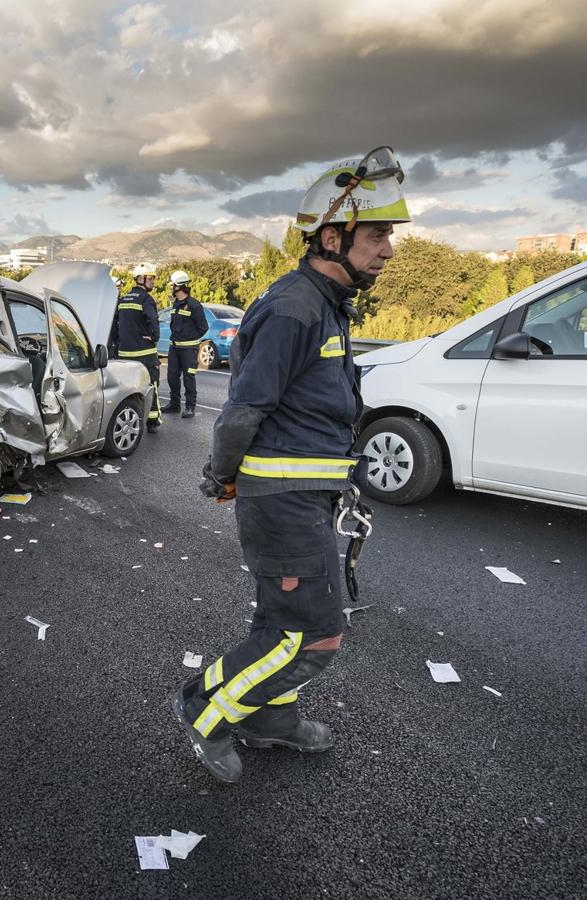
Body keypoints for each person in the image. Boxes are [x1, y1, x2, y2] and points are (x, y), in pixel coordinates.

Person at [173, 147, 410, 783]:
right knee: (315, 636)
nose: (388, 248)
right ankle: (204, 710)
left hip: (306, 494)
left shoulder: (325, 304)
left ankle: (270, 718)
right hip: (281, 499)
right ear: (332, 236)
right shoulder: (293, 307)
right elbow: (243, 409)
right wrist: (222, 475)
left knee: (281, 624)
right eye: (378, 233)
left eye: (390, 234)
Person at [109, 263, 162, 432]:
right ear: (141, 279)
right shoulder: (146, 299)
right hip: (145, 353)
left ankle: (132, 419)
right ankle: (153, 422)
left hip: (125, 353)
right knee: (151, 386)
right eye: (151, 278)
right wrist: (154, 337)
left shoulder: (124, 299)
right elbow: (153, 320)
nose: (153, 281)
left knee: (129, 389)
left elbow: (115, 323)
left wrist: (119, 342)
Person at [162, 270, 208, 418]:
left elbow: (203, 327)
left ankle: (190, 407)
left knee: (189, 378)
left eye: (172, 285)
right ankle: (174, 404)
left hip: (189, 349)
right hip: (174, 347)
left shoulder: (194, 305)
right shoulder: (175, 304)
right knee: (172, 376)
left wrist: (190, 339)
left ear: (179, 286)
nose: (171, 288)